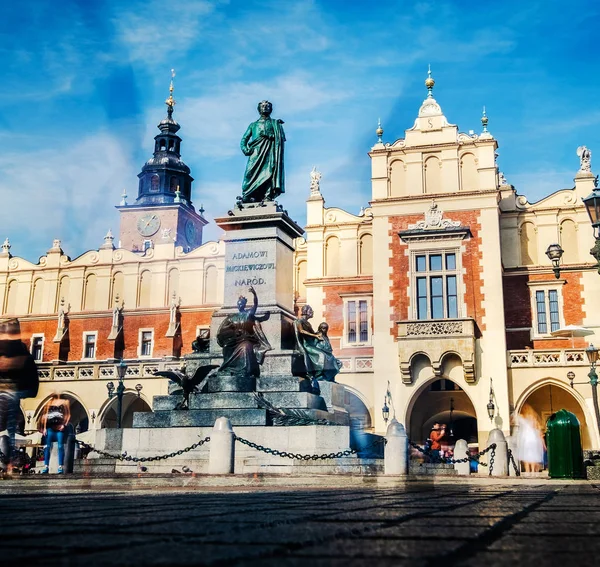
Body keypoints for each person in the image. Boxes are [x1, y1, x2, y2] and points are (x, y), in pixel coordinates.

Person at [0, 318, 39, 474]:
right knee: (8, 430)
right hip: (12, 395)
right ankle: (9, 460)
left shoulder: (19, 352)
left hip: (9, 395)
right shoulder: (22, 352)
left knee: (8, 428)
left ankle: (8, 460)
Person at [216, 286, 271, 379]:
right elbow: (223, 329)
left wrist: (254, 294)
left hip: (247, 339)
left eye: (241, 304)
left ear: (244, 304)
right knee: (226, 347)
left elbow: (255, 305)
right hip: (235, 340)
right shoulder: (232, 317)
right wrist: (231, 332)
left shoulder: (248, 314)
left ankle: (245, 370)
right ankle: (227, 368)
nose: (239, 305)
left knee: (245, 347)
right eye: (238, 304)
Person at [240, 100, 285, 203]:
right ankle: (248, 195)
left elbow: (280, 138)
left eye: (267, 106)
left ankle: (267, 195)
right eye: (262, 106)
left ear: (271, 109)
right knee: (249, 174)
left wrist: (271, 136)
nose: (265, 107)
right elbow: (244, 139)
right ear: (259, 109)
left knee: (269, 173)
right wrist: (245, 149)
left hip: (269, 152)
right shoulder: (253, 125)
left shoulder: (275, 123)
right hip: (255, 153)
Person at [293, 307, 342, 383]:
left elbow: (314, 333)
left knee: (330, 357)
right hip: (306, 345)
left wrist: (320, 334)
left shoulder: (308, 323)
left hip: (311, 344)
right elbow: (301, 331)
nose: (312, 312)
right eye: (310, 311)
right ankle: (318, 375)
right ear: (305, 311)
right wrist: (315, 336)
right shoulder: (299, 321)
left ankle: (327, 375)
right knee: (321, 355)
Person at [39, 393, 71, 474]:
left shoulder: (64, 402)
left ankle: (60, 466)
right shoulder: (49, 403)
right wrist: (45, 428)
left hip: (59, 429)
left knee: (60, 446)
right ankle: (46, 466)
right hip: (50, 428)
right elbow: (45, 416)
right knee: (47, 447)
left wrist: (64, 424)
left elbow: (68, 414)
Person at [516, 404, 545, 474]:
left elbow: (514, 419)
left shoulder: (522, 417)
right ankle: (532, 471)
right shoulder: (533, 417)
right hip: (533, 439)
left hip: (526, 439)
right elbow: (538, 428)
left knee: (526, 457)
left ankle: (527, 471)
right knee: (532, 456)